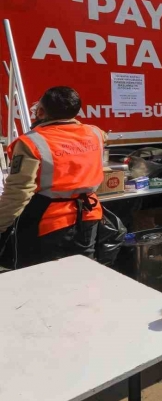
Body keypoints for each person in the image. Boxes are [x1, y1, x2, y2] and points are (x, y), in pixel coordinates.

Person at [0, 86, 106, 269]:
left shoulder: (31, 142)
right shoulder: (96, 133)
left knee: (45, 279)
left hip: (50, 221)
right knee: (84, 272)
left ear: (41, 111)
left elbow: (18, 192)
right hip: (89, 215)